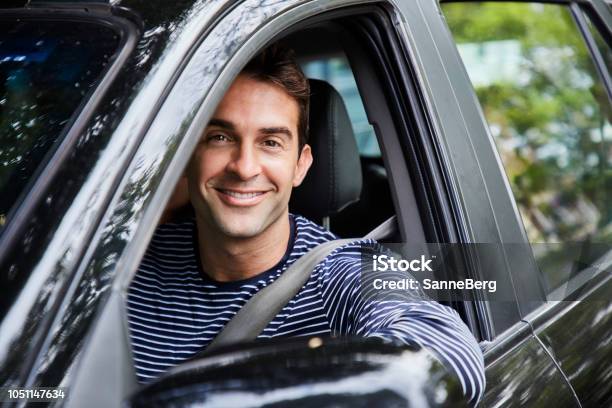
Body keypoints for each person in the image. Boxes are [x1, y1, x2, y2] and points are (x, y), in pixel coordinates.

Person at [126, 45, 485, 405]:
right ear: (189, 154)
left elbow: (448, 351)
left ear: (301, 165)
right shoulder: (129, 259)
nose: (244, 167)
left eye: (270, 142)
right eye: (221, 137)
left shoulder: (343, 271)